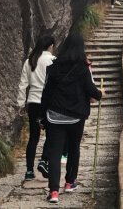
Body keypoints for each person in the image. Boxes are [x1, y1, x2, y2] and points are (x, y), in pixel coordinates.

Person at [40, 31, 102, 203]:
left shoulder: (54, 67)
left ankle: (53, 192)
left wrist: (41, 117)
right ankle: (69, 182)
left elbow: (46, 93)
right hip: (76, 116)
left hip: (54, 116)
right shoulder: (84, 67)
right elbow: (91, 90)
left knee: (55, 152)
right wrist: (100, 94)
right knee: (74, 148)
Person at [16, 33, 55, 181]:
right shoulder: (52, 60)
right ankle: (44, 161)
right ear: (50, 46)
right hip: (48, 104)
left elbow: (23, 84)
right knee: (51, 135)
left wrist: (20, 104)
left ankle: (28, 171)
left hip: (32, 102)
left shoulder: (30, 61)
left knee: (33, 137)